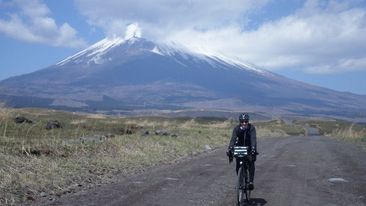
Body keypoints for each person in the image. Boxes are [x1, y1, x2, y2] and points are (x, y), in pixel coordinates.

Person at [227, 113, 257, 190]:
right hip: (239, 148)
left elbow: (253, 139)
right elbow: (233, 139)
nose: (244, 123)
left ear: (248, 121)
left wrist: (253, 148)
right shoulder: (236, 129)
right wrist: (230, 148)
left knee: (251, 163)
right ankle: (240, 181)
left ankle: (250, 182)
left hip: (249, 147)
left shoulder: (251, 128)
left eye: (246, 121)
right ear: (240, 122)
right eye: (242, 121)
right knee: (238, 164)